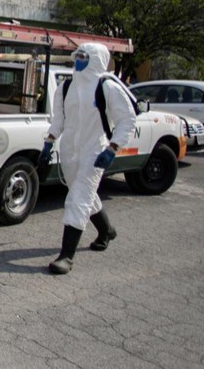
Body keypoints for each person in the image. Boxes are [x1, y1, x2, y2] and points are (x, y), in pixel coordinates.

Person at [39, 42, 137, 274]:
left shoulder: (107, 87)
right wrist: (48, 143)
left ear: (96, 59)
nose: (79, 60)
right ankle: (106, 230)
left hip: (95, 150)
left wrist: (112, 149)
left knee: (79, 198)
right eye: (77, 56)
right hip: (70, 150)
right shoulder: (66, 87)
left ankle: (66, 256)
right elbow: (58, 119)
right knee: (83, 194)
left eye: (84, 56)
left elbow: (127, 120)